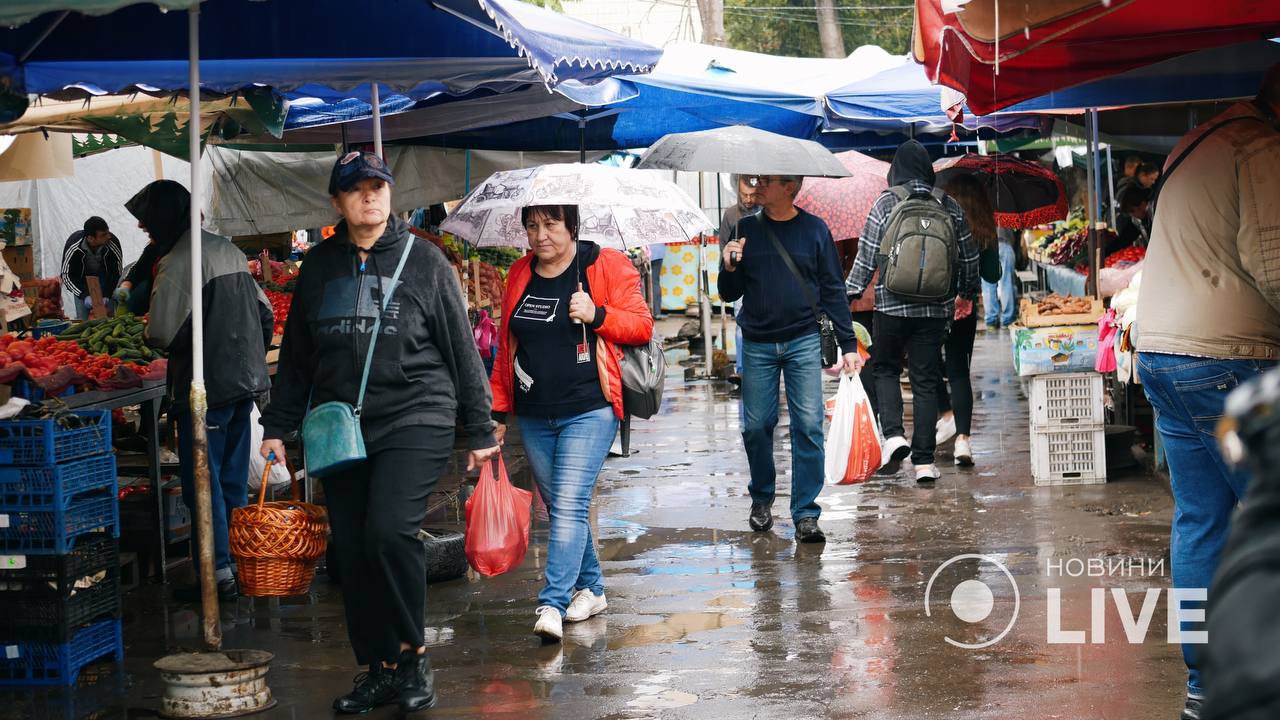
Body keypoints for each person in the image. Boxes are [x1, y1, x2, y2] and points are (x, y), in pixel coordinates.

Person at [259, 152, 498, 714]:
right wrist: (276, 427)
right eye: (357, 189)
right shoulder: (318, 268)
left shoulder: (425, 261)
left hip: (416, 416)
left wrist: (480, 426)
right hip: (341, 427)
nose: (371, 197)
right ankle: (379, 667)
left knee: (390, 533)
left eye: (378, 187)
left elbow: (461, 349)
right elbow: (295, 359)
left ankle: (414, 655)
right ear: (337, 203)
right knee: (353, 551)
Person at [1135, 64, 1280, 720]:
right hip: (1226, 359)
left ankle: (1204, 686)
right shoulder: (1260, 146)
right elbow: (1274, 260)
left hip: (1164, 354)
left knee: (1201, 521)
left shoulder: (1202, 139)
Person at [490, 204, 652, 642]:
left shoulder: (605, 266)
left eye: (551, 224)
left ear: (572, 226)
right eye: (532, 225)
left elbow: (642, 326)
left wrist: (597, 314)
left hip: (590, 407)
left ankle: (552, 602)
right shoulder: (520, 273)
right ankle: (593, 589)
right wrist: (497, 411)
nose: (540, 235)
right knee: (562, 508)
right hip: (534, 412)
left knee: (569, 504)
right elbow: (508, 346)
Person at [127, 180, 272, 605]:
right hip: (241, 384)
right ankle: (232, 567)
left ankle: (217, 572)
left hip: (204, 389)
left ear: (163, 221)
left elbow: (160, 331)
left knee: (202, 485)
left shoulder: (180, 260)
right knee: (229, 481)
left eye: (147, 223)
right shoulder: (228, 249)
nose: (144, 230)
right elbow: (264, 314)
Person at [720, 175, 860, 543]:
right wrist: (729, 266)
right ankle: (762, 497)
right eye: (757, 179)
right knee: (756, 426)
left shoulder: (815, 231)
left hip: (802, 340)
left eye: (767, 181)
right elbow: (727, 293)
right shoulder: (744, 227)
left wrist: (849, 345)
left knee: (809, 426)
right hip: (758, 342)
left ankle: (806, 513)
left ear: (789, 187)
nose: (758, 185)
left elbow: (832, 289)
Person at [846, 140, 980, 483]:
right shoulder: (947, 204)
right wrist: (964, 292)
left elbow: (866, 253)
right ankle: (924, 463)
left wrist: (850, 292)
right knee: (924, 380)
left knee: (886, 369)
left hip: (890, 304)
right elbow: (968, 256)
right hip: (935, 309)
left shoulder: (886, 201)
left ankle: (893, 436)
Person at [934, 174, 1002, 466]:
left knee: (926, 367)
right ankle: (963, 441)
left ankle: (945, 415)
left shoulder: (939, 218)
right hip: (965, 308)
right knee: (960, 371)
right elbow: (993, 275)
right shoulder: (985, 229)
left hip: (934, 306)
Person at [61, 216, 123, 320]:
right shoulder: (74, 246)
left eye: (108, 232)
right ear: (90, 238)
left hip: (105, 280)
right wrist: (84, 295)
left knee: (108, 320)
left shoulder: (112, 243)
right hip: (82, 282)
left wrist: (107, 294)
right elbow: (66, 276)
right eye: (104, 235)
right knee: (84, 321)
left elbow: (116, 273)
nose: (109, 236)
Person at [1109, 186, 1152, 256]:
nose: (1133, 216)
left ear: (1141, 206)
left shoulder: (1155, 213)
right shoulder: (1137, 221)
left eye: (1132, 212)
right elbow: (1125, 239)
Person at [649, 242, 666, 320]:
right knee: (655, 282)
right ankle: (657, 312)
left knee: (642, 283)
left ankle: (647, 312)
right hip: (659, 251)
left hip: (647, 252)